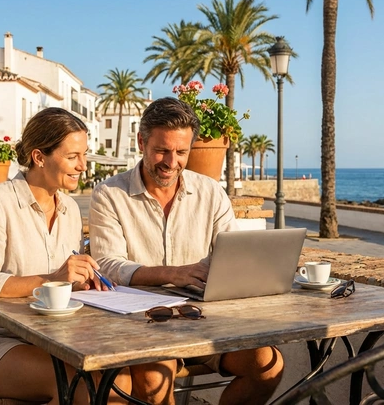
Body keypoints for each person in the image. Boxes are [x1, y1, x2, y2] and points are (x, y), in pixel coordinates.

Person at [89, 97, 285, 405]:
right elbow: (107, 265)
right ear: (141, 143)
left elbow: (234, 253)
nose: (172, 162)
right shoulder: (109, 194)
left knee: (268, 366)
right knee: (154, 380)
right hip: (141, 324)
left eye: (181, 152)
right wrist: (173, 274)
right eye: (162, 150)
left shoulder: (211, 192)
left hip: (204, 322)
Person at [0, 107, 131, 404]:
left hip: (52, 338)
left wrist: (82, 282)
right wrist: (52, 279)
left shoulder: (70, 209)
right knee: (81, 386)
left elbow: (64, 283)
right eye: (72, 157)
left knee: (119, 378)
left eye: (84, 155)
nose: (82, 166)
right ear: (39, 157)